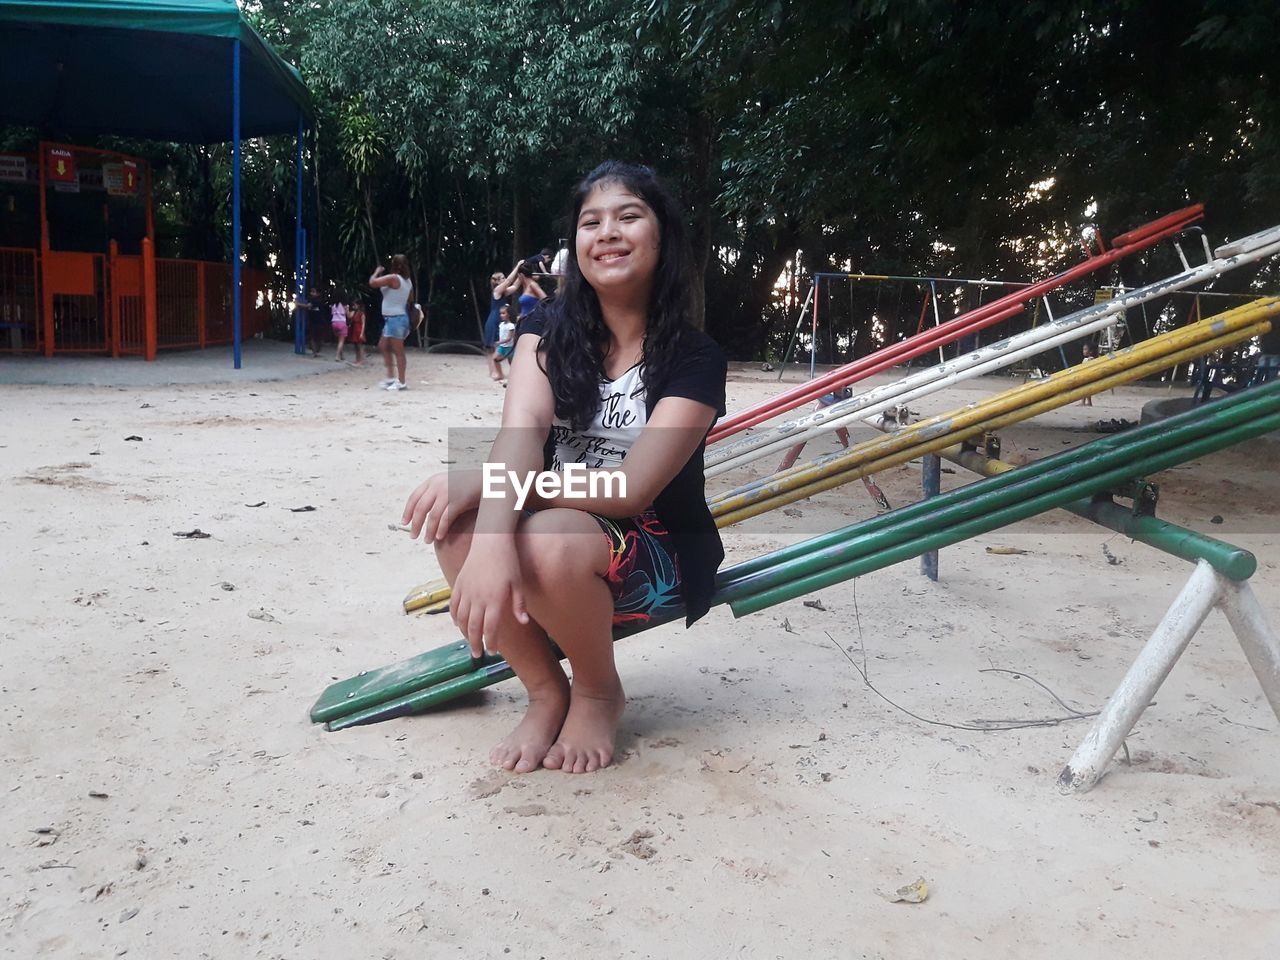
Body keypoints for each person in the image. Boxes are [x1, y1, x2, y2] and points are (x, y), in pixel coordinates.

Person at [401, 161, 726, 775]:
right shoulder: (544, 329)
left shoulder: (695, 358)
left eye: (628, 217)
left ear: (662, 238)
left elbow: (631, 490)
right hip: (556, 518)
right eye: (590, 222)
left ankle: (600, 691)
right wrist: (491, 530)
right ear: (575, 247)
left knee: (536, 537)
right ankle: (547, 691)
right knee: (458, 526)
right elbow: (518, 436)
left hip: (654, 542)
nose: (607, 231)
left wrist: (490, 482)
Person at [372, 254, 413, 391]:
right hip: (393, 318)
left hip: (396, 319)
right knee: (383, 346)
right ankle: (390, 378)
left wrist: (377, 272)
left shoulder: (393, 278)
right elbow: (410, 298)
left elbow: (372, 282)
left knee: (398, 351)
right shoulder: (407, 282)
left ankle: (401, 381)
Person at [486, 268, 521, 381]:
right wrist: (517, 266)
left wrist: (522, 274)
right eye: (502, 278)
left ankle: (496, 372)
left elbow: (515, 286)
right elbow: (509, 281)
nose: (505, 279)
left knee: (499, 346)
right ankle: (495, 372)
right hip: (495, 321)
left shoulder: (503, 292)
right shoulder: (497, 291)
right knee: (493, 347)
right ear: (496, 281)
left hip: (500, 321)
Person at [492, 304, 517, 381]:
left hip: (509, 347)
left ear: (508, 314)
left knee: (512, 363)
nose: (501, 315)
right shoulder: (501, 324)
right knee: (495, 358)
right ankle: (500, 374)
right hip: (502, 346)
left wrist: (499, 342)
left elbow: (509, 338)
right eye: (500, 313)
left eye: (503, 313)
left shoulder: (511, 326)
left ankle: (514, 377)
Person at [347, 297, 367, 366]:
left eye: (354, 305)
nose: (353, 306)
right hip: (354, 329)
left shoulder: (362, 313)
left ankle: (361, 360)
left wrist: (362, 333)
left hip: (359, 330)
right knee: (356, 346)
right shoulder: (355, 313)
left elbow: (363, 324)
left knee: (360, 346)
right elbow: (349, 317)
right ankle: (357, 359)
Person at [331, 293, 349, 362]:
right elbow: (347, 315)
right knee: (341, 341)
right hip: (342, 323)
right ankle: (337, 356)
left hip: (334, 323)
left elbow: (332, 313)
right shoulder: (345, 306)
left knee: (339, 341)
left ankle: (341, 355)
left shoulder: (333, 305)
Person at [1080, 341, 1096, 406]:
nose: (1083, 351)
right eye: (1083, 349)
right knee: (1085, 390)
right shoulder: (1086, 359)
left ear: (1090, 351)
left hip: (1087, 376)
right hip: (1085, 376)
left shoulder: (1090, 359)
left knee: (1085, 389)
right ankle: (1087, 402)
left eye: (1085, 349)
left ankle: (1084, 402)